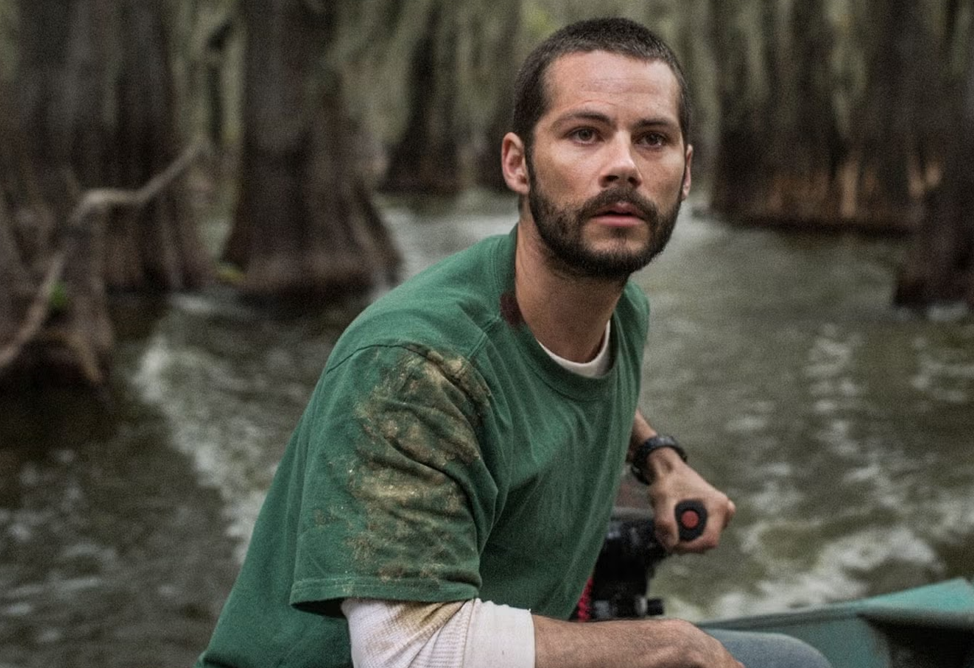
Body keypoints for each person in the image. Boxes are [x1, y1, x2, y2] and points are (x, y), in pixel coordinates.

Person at [197, 17, 831, 668]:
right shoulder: (415, 366)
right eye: (584, 134)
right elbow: (404, 652)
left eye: (651, 139)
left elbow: (573, 380)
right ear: (517, 163)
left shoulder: (619, 310)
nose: (622, 165)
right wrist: (668, 645)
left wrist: (659, 458)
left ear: (685, 171)